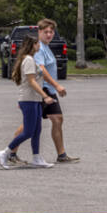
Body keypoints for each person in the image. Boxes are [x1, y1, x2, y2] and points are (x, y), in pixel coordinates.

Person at [0, 35, 54, 169]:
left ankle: (36, 158)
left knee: (37, 130)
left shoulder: (30, 59)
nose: (39, 46)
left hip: (34, 100)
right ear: (32, 45)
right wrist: (45, 96)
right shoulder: (28, 60)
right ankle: (4, 153)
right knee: (28, 131)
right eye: (37, 44)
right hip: (29, 99)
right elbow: (31, 81)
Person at [35, 18, 78, 163]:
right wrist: (57, 85)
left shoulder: (46, 47)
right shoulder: (39, 48)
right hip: (42, 90)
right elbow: (41, 70)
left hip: (50, 90)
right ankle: (11, 152)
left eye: (51, 31)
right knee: (30, 125)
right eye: (45, 31)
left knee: (58, 119)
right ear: (39, 32)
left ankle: (61, 155)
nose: (49, 34)